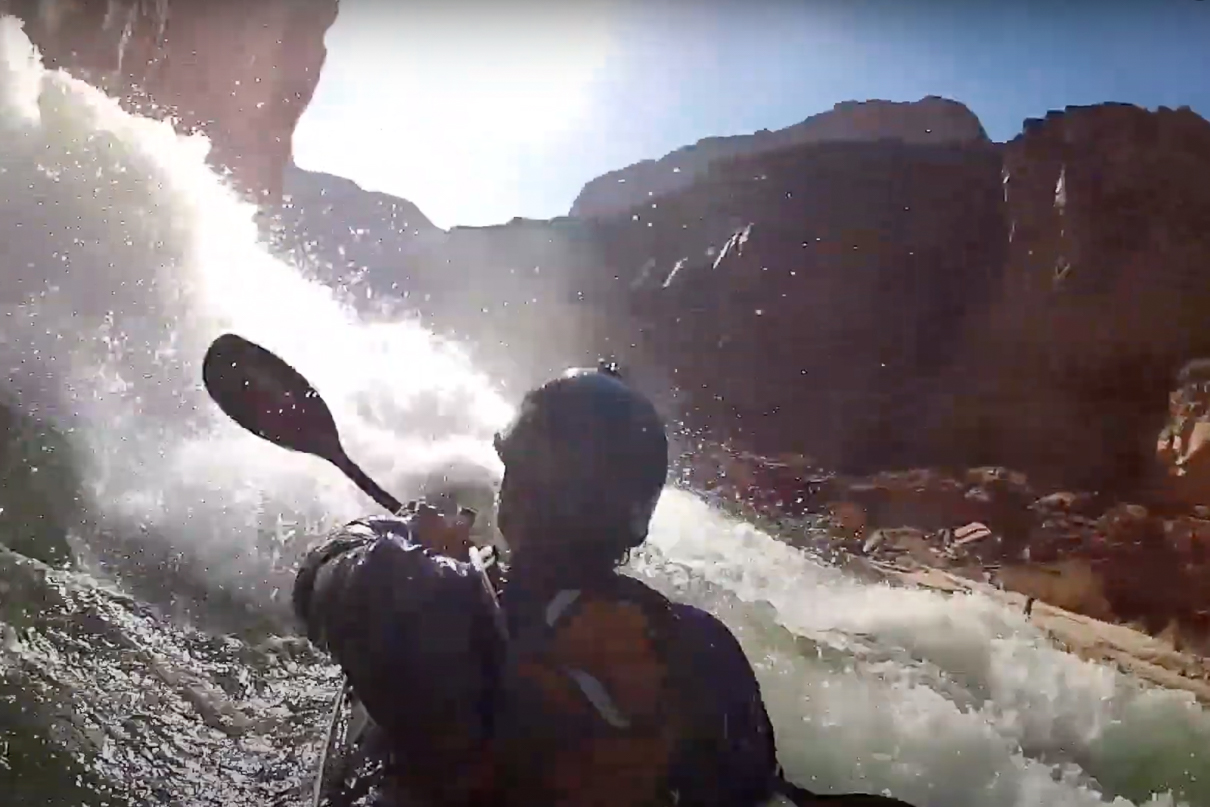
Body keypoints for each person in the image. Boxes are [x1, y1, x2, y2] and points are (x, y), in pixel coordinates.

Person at [292, 362, 911, 807]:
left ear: (519, 494)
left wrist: (405, 533)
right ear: (634, 525)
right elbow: (751, 788)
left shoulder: (436, 600)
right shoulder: (701, 648)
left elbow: (323, 576)